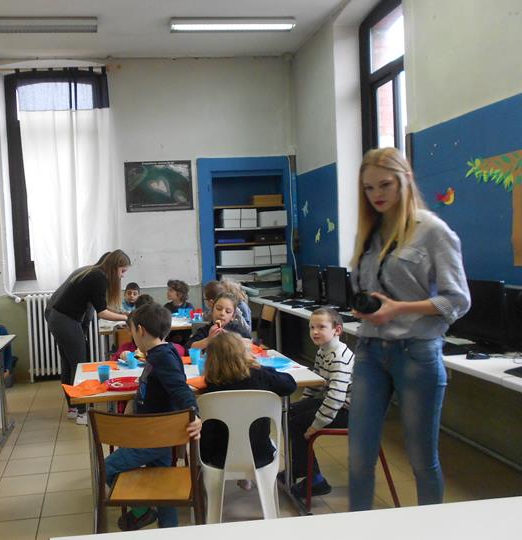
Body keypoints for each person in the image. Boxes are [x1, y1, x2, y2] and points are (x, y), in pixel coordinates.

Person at [348, 147, 470, 511]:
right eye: (369, 188)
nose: (377, 195)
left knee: (421, 460)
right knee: (358, 459)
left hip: (416, 351)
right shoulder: (370, 230)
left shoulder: (432, 230)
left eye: (385, 185)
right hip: (369, 350)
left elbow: (457, 299)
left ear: (405, 180)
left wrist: (399, 308)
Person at [104, 303, 202, 531]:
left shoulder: (162, 357)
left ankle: (143, 511)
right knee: (162, 484)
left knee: (107, 469)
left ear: (139, 330)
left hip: (155, 436)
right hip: (157, 433)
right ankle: (169, 527)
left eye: (131, 331)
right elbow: (158, 387)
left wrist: (194, 414)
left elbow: (179, 388)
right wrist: (135, 402)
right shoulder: (160, 353)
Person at [200, 332, 296, 491]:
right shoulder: (260, 376)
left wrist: (205, 456)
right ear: (244, 353)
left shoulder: (211, 385)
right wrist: (262, 367)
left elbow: (209, 431)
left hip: (220, 457)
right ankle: (247, 476)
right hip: (260, 453)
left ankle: (237, 478)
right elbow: (289, 385)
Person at [46, 250, 130, 425]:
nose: (122, 276)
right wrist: (126, 317)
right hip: (65, 320)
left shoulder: (91, 271)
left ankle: (73, 408)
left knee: (70, 365)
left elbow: (97, 306)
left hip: (58, 318)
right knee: (80, 365)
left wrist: (120, 313)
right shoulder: (99, 278)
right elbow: (102, 312)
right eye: (122, 271)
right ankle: (83, 413)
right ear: (114, 267)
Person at [286, 308, 354, 498]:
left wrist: (315, 426)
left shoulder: (339, 356)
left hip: (349, 411)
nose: (314, 332)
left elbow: (336, 397)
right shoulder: (323, 351)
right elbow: (316, 385)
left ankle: (314, 479)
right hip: (336, 404)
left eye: (321, 327)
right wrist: (301, 405)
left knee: (297, 423)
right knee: (289, 413)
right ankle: (300, 468)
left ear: (337, 330)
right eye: (312, 327)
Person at [186, 293, 251, 351]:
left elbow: (250, 343)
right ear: (212, 310)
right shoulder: (205, 331)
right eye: (219, 309)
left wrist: (230, 338)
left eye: (228, 311)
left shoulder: (238, 329)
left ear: (233, 317)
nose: (222, 313)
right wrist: (209, 340)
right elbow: (188, 347)